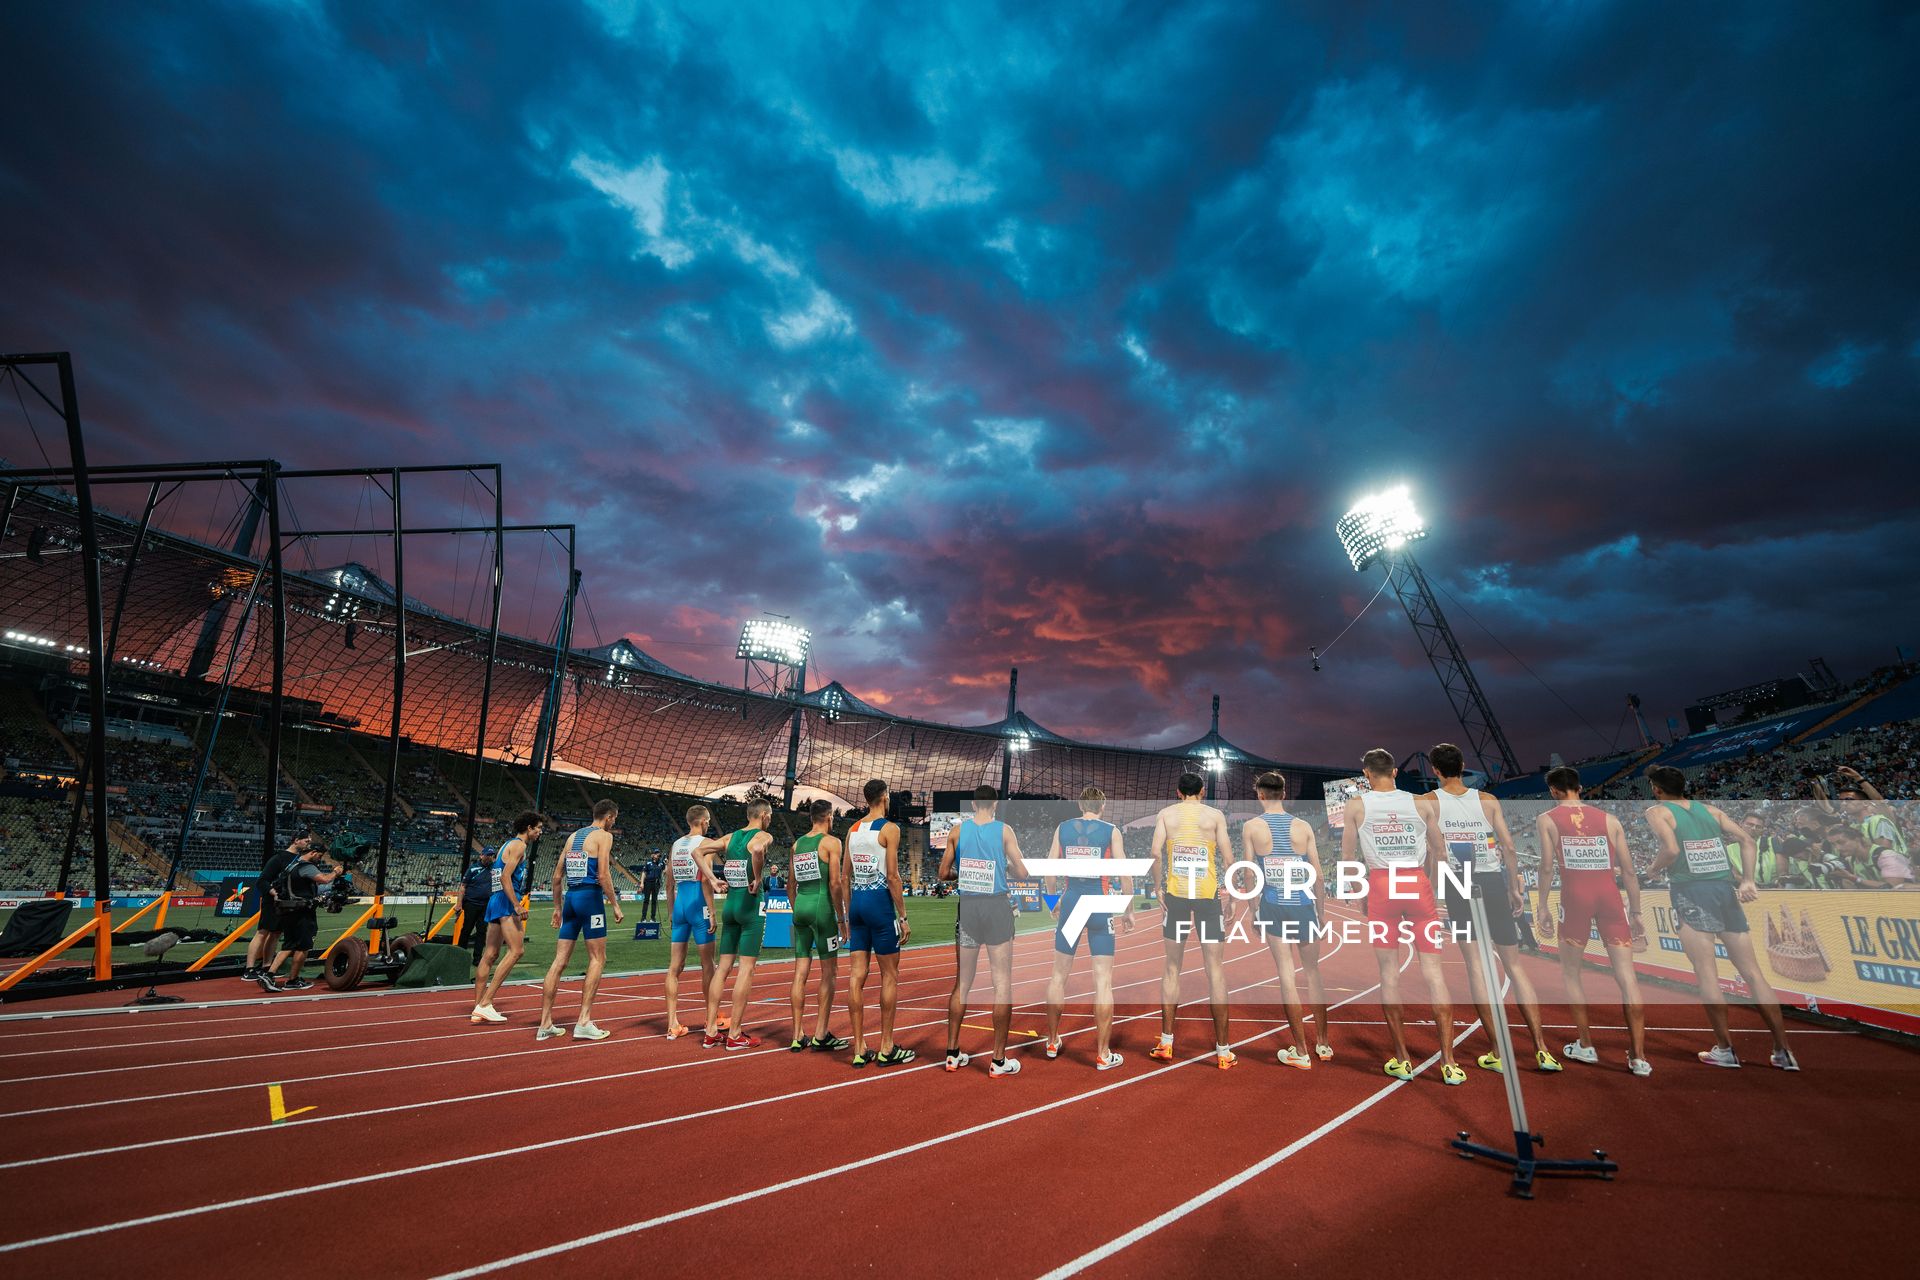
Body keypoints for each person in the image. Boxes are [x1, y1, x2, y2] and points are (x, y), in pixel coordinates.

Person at [1643, 766, 1798, 1070]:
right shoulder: (1711, 810)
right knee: (1753, 973)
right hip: (1724, 891)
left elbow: (1671, 849)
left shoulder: (1657, 811)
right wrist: (1748, 880)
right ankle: (1784, 1051)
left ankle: (1725, 1049)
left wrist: (1652, 869)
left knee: (1706, 973)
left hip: (1691, 891)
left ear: (1657, 789)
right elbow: (1747, 840)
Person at [1428, 744, 1559, 1075]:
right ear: (1463, 765)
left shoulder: (1428, 802)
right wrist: (1514, 886)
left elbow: (1434, 850)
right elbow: (1510, 847)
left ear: (1435, 770)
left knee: (1475, 965)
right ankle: (1542, 1049)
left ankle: (1499, 1050)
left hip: (1459, 882)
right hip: (1492, 880)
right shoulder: (1488, 800)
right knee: (1514, 966)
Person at [1343, 748, 1461, 1084]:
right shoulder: (1422, 802)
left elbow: (1349, 857)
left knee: (1389, 974)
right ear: (1395, 772)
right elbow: (1439, 851)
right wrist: (1437, 893)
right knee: (1434, 973)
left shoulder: (1356, 805)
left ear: (1366, 774)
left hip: (1382, 886)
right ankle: (1449, 1062)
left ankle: (1402, 1059)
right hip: (1416, 883)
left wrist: (1361, 894)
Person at [1533, 769, 1648, 1075]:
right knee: (1627, 977)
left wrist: (1542, 905)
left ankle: (1586, 1045)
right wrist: (1636, 912)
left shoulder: (1547, 819)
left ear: (1554, 791)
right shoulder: (1610, 819)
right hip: (1609, 895)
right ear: (1580, 788)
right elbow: (1630, 871)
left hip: (1575, 897)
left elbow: (1546, 868)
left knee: (1572, 974)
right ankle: (1638, 1057)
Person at [1236, 771, 1330, 1068]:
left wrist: (1252, 911)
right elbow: (1318, 874)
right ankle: (1324, 1044)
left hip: (1274, 904)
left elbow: (1249, 873)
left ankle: (1301, 1051)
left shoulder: (1252, 826)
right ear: (1284, 793)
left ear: (1260, 794)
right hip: (1303, 905)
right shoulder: (1303, 827)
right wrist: (1322, 914)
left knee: (1286, 975)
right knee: (1313, 974)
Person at [941, 785, 1034, 1075]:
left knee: (962, 984)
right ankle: (997, 1061)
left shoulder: (957, 832)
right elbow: (1022, 872)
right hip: (996, 909)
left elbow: (943, 873)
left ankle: (952, 1054)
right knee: (1002, 984)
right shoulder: (1005, 831)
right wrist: (999, 868)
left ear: (972, 803)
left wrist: (963, 872)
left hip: (968, 908)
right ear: (995, 804)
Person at [1041, 786, 1137, 1070]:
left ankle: (1052, 1041)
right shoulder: (1111, 830)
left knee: (1058, 977)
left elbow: (1049, 867)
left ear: (1081, 805)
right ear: (1103, 806)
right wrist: (1128, 910)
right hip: (1098, 903)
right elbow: (1125, 873)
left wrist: (1051, 900)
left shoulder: (1063, 828)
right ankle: (1103, 1054)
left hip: (1071, 901)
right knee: (1103, 981)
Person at [1148, 773, 1237, 1068]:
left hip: (1176, 896)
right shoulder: (1214, 816)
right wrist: (1233, 897)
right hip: (1207, 896)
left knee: (1172, 968)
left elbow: (1154, 853)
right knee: (1216, 971)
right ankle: (1223, 1051)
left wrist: (1158, 886)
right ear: (1201, 791)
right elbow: (1228, 858)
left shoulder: (1166, 815)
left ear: (1177, 792)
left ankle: (1167, 1042)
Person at [534, 800, 624, 1042]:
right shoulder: (604, 837)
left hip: (570, 899)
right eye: (614, 819)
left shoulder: (572, 836)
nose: (614, 823)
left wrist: (557, 909)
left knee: (559, 961)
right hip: (590, 899)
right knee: (597, 958)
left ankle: (545, 1024)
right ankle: (583, 1021)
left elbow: (556, 877)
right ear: (608, 817)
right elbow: (603, 874)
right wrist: (615, 904)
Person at [844, 779, 914, 1066]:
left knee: (856, 975)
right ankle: (886, 1047)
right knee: (889, 976)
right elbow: (894, 876)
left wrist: (847, 914)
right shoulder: (889, 828)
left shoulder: (852, 829)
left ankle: (859, 1047)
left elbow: (843, 875)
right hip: (880, 906)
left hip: (858, 905)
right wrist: (904, 916)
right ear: (884, 797)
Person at [700, 799, 774, 1051]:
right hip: (751, 906)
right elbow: (756, 850)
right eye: (770, 815)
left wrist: (712, 879)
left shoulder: (730, 837)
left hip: (730, 906)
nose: (770, 820)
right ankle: (734, 1034)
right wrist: (759, 877)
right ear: (763, 815)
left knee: (722, 969)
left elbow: (697, 852)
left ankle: (710, 1031)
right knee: (746, 969)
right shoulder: (763, 835)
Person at [788, 799, 852, 1052]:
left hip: (801, 907)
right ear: (829, 817)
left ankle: (796, 1035)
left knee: (800, 972)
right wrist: (841, 919)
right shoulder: (832, 842)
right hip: (821, 910)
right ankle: (821, 1034)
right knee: (830, 972)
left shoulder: (797, 844)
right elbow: (835, 884)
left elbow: (789, 885)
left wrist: (797, 909)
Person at [470, 811, 544, 1024]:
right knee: (517, 950)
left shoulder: (505, 844)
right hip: (505, 900)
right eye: (538, 828)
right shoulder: (520, 846)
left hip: (495, 900)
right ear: (529, 828)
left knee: (490, 954)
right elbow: (505, 877)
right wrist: (516, 905)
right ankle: (485, 1003)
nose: (539, 832)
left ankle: (478, 1007)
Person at [664, 805, 725, 1039]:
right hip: (698, 905)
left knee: (674, 968)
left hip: (680, 905)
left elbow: (669, 884)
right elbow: (704, 881)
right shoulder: (705, 843)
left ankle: (673, 1024)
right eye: (708, 820)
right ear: (702, 821)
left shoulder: (676, 845)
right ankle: (713, 1018)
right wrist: (712, 912)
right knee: (708, 965)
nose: (709, 824)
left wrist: (671, 913)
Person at [259, 838, 340, 993]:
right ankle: (293, 980)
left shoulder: (291, 866)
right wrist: (335, 872)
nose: (319, 859)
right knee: (303, 947)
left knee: (289, 945)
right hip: (302, 912)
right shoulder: (306, 867)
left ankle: (269, 974)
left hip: (287, 910)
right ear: (313, 852)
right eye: (319, 856)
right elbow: (324, 879)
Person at [244, 830, 317, 985]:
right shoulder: (279, 858)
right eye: (306, 841)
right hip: (273, 901)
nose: (308, 844)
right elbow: (262, 880)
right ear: (296, 840)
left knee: (276, 934)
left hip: (287, 903)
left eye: (309, 842)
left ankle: (266, 966)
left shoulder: (301, 859)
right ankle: (249, 969)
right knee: (262, 932)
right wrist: (273, 893)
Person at [456, 853, 492, 966]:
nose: (489, 857)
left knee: (481, 931)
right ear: (481, 856)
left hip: (485, 905)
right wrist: (459, 903)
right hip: (471, 903)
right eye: (488, 855)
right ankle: (460, 955)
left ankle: (477, 958)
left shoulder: (494, 868)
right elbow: (463, 887)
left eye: (491, 855)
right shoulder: (473, 868)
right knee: (466, 929)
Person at [641, 853, 665, 922]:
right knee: (646, 900)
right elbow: (644, 872)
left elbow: (665, 871)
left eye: (658, 854)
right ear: (652, 855)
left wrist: (666, 864)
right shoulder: (648, 862)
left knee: (654, 901)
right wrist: (642, 883)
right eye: (656, 854)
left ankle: (653, 918)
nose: (657, 855)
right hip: (648, 882)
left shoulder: (661, 863)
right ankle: (643, 917)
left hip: (656, 883)